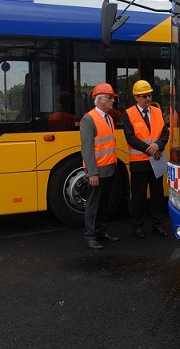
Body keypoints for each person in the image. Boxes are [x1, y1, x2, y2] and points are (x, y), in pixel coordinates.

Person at [122, 80, 170, 238]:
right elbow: (130, 137)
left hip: (156, 159)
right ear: (136, 97)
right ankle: (137, 225)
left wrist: (158, 145)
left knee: (157, 194)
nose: (148, 98)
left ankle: (158, 224)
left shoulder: (156, 111)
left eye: (149, 95)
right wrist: (149, 149)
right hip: (140, 162)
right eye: (144, 96)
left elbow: (165, 133)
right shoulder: (128, 113)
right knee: (138, 195)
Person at [80, 83, 121, 249]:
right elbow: (87, 148)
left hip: (109, 169)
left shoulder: (109, 118)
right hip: (97, 172)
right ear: (99, 100)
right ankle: (90, 236)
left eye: (112, 98)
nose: (112, 101)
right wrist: (92, 173)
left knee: (103, 204)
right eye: (109, 98)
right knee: (93, 205)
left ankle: (101, 232)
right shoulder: (89, 119)